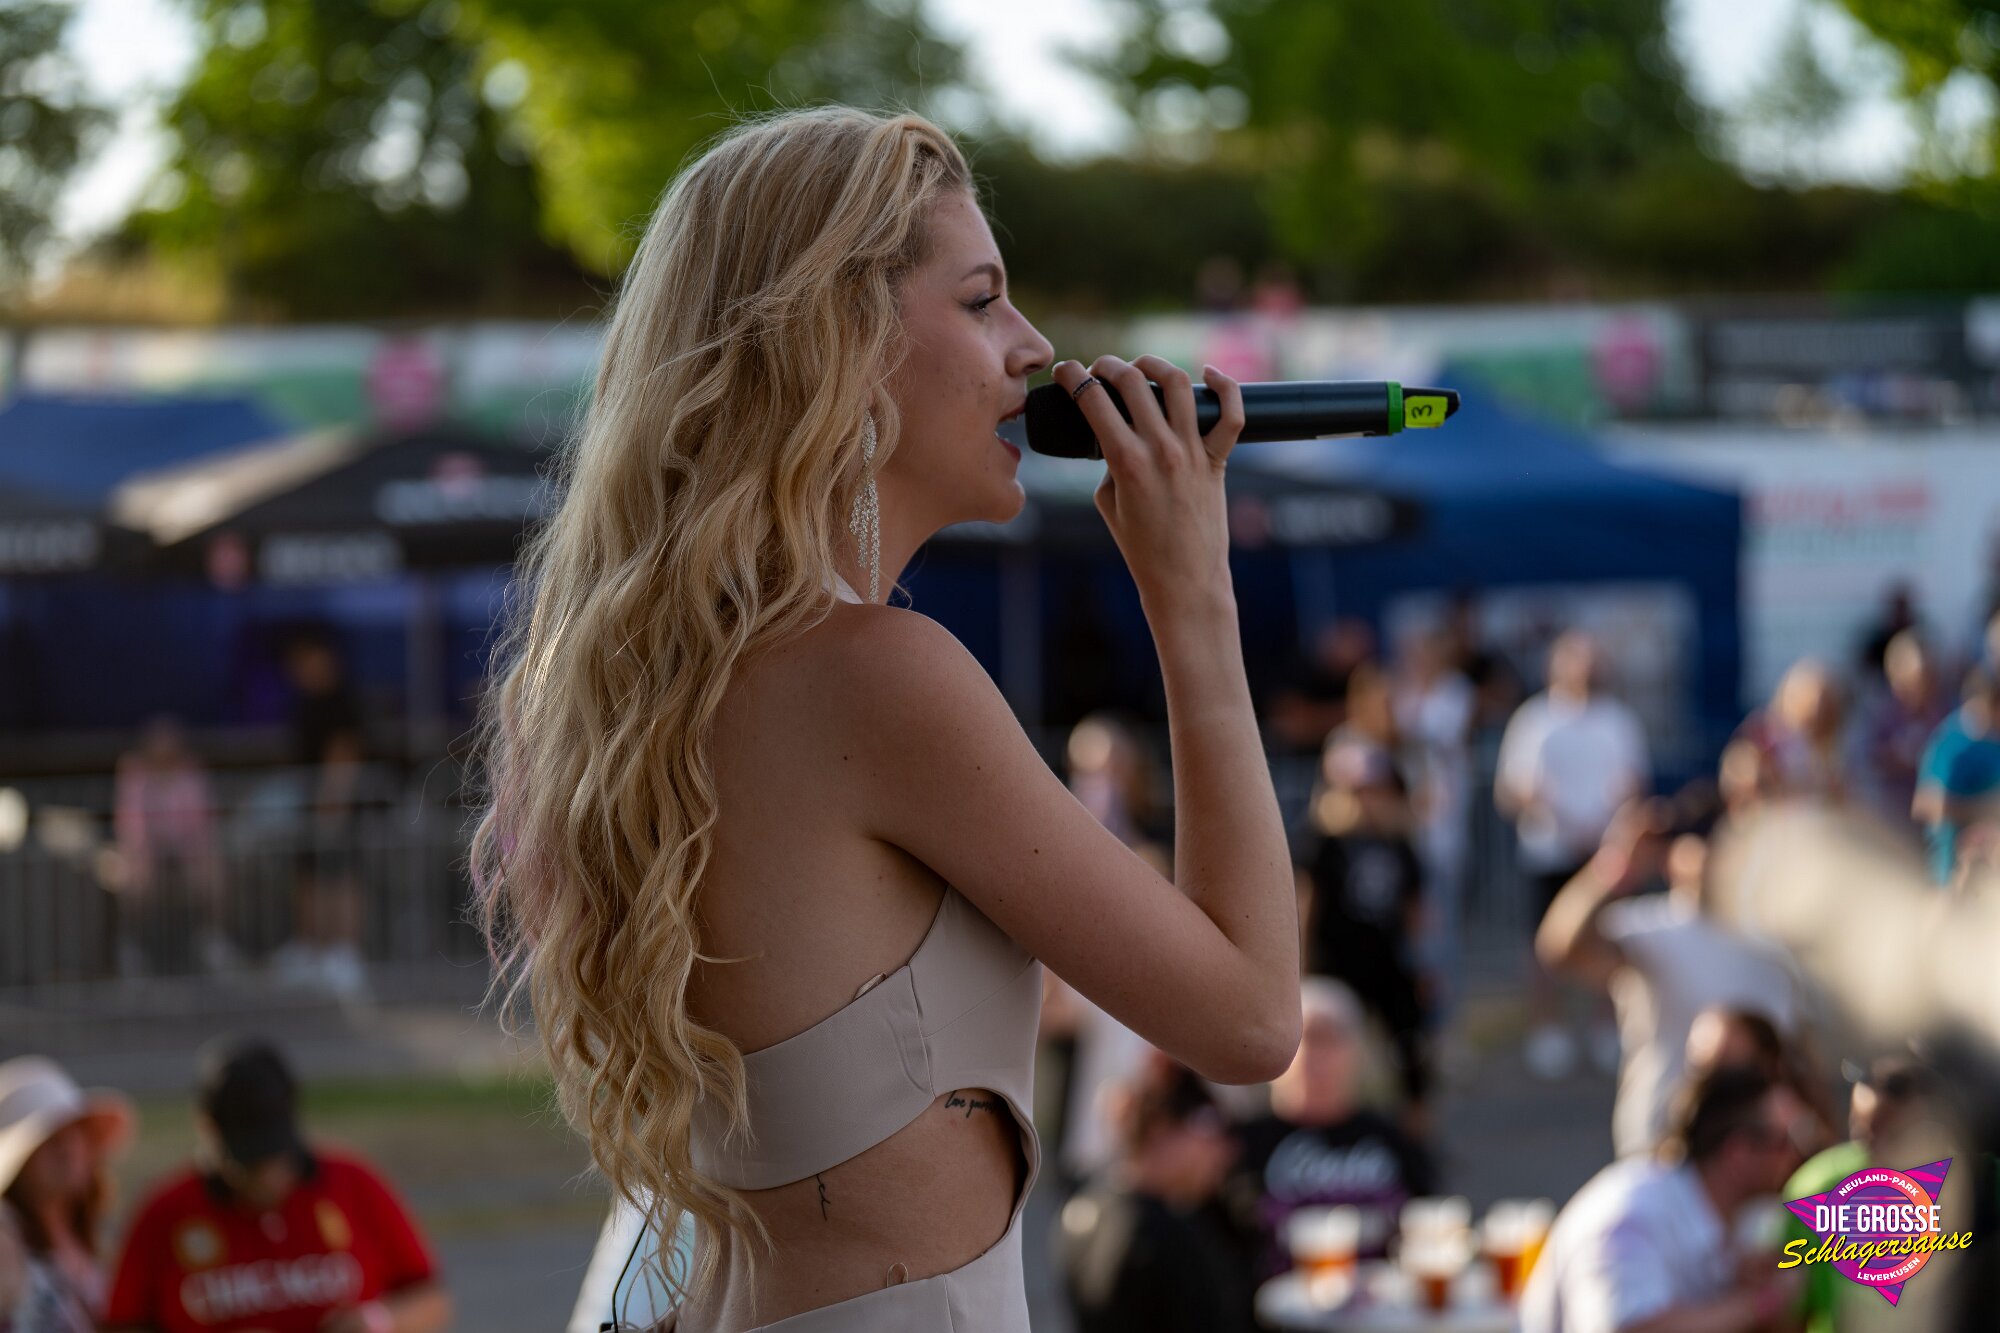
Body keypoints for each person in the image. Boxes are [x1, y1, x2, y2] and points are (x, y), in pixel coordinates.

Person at [467, 108, 1298, 1332]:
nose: (1033, 349)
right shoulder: (875, 678)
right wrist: (1192, 601)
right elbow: (1250, 1018)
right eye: (980, 302)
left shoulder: (660, 678)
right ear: (836, 339)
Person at [103, 1039, 449, 1333]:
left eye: (277, 1155)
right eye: (250, 1162)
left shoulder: (353, 1182)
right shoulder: (165, 1212)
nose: (269, 1177)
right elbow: (120, 1325)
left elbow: (432, 1297)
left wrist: (376, 1321)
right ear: (208, 1129)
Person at [1536, 800, 1805, 1159]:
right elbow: (1559, 949)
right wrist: (1616, 865)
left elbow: (1795, 1049)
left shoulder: (1772, 938)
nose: (1712, 855)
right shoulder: (1651, 927)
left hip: (1755, 1152)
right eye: (1700, 843)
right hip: (1662, 1142)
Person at [1518, 1064, 1812, 1333]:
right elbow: (1629, 1328)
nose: (1798, 1154)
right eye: (1786, 1140)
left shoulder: (1737, 1212)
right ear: (1738, 1154)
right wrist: (1762, 1303)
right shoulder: (1633, 1216)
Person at [1496, 631, 1651, 1079]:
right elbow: (1512, 789)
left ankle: (1607, 1027)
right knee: (1542, 946)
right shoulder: (1533, 720)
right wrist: (1561, 821)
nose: (1585, 670)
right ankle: (1548, 1029)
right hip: (1547, 854)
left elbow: (1633, 785)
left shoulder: (1618, 720)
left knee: (1609, 939)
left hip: (1605, 856)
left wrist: (1605, 829)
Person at [1221, 980, 1433, 1281]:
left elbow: (1428, 1223)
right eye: (1304, 1039)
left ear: (1356, 1052)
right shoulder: (1241, 1146)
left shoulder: (1391, 1139)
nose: (1314, 1055)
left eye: (1329, 1039)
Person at [1053, 1053, 1252, 1333]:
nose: (1224, 1150)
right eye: (1208, 1126)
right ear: (1160, 1127)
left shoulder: (1081, 1205)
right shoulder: (1164, 1235)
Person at [1291, 739, 1430, 1129]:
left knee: (1411, 1049)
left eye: (1375, 789)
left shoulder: (1398, 843)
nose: (1367, 799)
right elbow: (1307, 905)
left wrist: (1420, 964)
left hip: (1388, 961)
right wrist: (1302, 968)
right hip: (1336, 963)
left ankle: (1416, 1136)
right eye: (1357, 790)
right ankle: (1322, 1133)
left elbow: (1414, 909)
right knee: (1325, 1050)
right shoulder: (1322, 842)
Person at [0, 1057, 135, 1333]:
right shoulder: (6, 1241)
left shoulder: (96, 1233)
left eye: (74, 1133)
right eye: (49, 1139)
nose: (66, 1150)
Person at [113, 716, 232, 978]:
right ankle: (132, 948)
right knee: (135, 880)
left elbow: (202, 823)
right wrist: (148, 852)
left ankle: (212, 941)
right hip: (147, 855)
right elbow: (131, 826)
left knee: (212, 873)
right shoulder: (135, 776)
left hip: (185, 853)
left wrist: (188, 852)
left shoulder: (192, 774)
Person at [1913, 668, 2000, 886]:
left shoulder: (1993, 739)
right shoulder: (1952, 744)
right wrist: (1983, 808)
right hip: (1954, 865)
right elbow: (1925, 805)